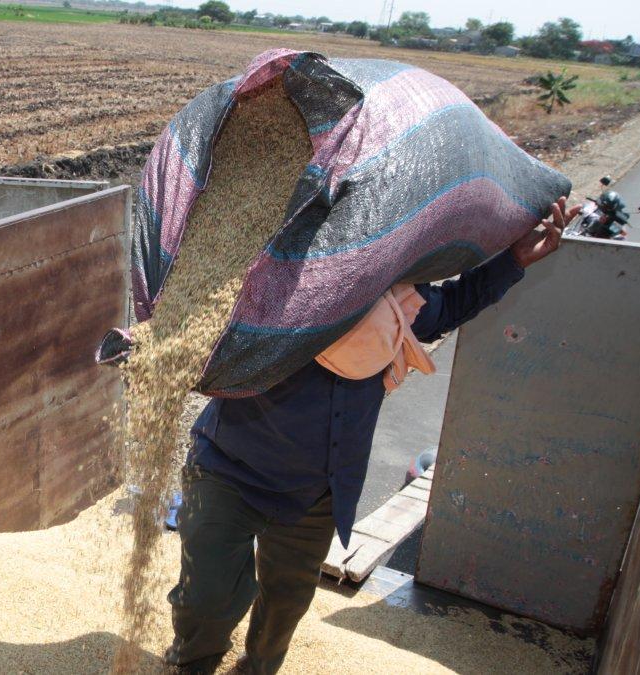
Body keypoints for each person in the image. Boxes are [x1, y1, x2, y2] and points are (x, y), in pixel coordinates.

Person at [165, 197, 580, 675]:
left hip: (317, 492)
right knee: (207, 597)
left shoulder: (392, 292)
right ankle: (192, 665)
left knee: (286, 602)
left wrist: (514, 260)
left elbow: (448, 307)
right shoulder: (274, 271)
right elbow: (200, 310)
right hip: (229, 469)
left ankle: (256, 669)